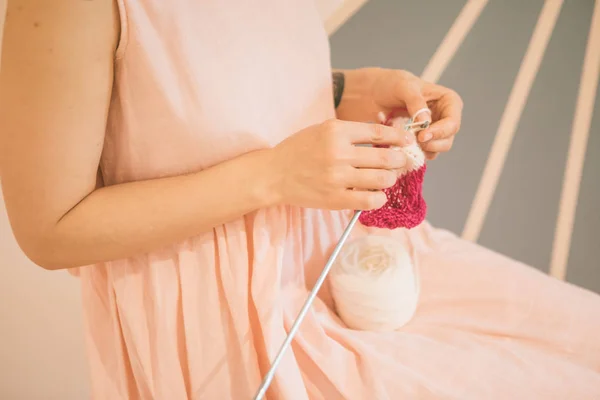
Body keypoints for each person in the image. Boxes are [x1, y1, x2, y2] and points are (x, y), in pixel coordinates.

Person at [1, 1, 599, 399]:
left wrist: (346, 89)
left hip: (349, 264)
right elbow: (49, 229)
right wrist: (275, 175)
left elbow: (215, 83)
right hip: (236, 328)